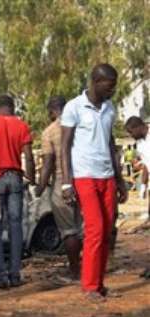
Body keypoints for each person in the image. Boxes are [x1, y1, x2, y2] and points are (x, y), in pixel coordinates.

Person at [60, 63, 128, 302]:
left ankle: (99, 284)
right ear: (96, 82)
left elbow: (110, 144)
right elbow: (65, 147)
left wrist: (120, 180)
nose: (113, 91)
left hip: (107, 176)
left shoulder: (110, 108)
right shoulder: (74, 107)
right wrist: (67, 183)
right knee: (95, 229)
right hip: (84, 176)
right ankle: (89, 285)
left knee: (107, 231)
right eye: (109, 87)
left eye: (114, 87)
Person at [0, 95, 35, 288]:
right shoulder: (22, 126)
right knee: (15, 226)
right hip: (15, 178)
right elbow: (28, 156)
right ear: (13, 107)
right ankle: (15, 274)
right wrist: (32, 178)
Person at [35, 96, 83, 284]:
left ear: (52, 111)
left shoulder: (50, 132)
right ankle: (91, 268)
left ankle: (75, 272)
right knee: (84, 227)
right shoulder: (80, 125)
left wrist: (39, 188)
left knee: (68, 230)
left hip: (62, 182)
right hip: (84, 178)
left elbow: (48, 164)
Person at [125, 116, 149, 208]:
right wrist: (143, 185)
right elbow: (147, 166)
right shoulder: (140, 144)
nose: (131, 135)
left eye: (131, 132)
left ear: (138, 127)